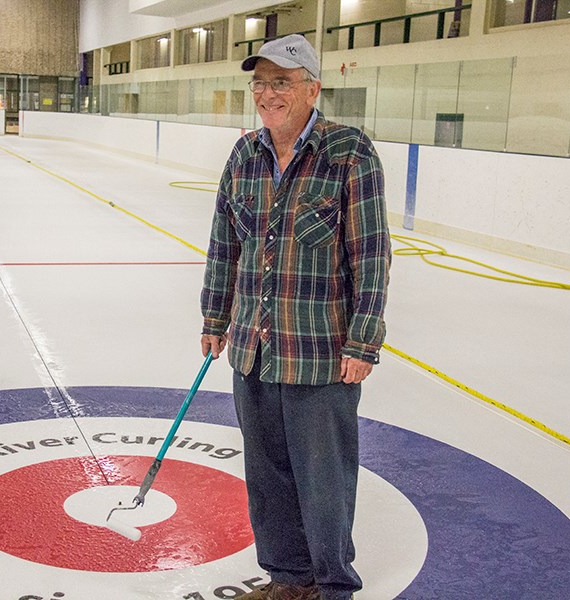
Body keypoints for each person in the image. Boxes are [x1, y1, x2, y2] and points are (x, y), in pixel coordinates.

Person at [200, 34, 391, 600]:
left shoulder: (348, 153)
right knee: (267, 479)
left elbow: (372, 256)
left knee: (324, 481)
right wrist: (215, 319)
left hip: (320, 353)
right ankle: (288, 580)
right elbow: (223, 248)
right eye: (260, 82)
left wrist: (363, 343)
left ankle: (332, 585)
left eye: (281, 82)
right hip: (253, 351)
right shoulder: (245, 156)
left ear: (313, 87)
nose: (267, 93)